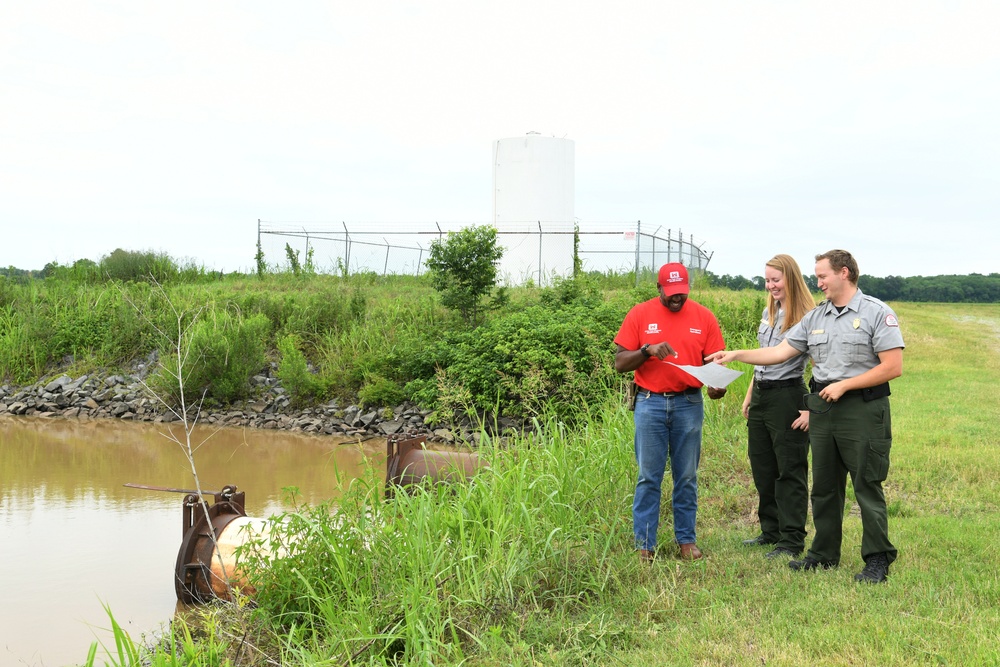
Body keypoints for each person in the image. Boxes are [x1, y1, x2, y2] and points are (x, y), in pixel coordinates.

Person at [708, 249, 902, 583]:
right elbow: (780, 352)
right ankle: (824, 554)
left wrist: (845, 386)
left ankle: (877, 560)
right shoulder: (816, 318)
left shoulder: (875, 313)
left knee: (866, 485)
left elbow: (892, 367)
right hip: (825, 408)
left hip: (863, 409)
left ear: (844, 273)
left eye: (823, 276)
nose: (818, 282)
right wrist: (737, 354)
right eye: (817, 276)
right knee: (824, 487)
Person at [614, 262, 727, 562]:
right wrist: (646, 351)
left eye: (682, 293)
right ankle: (645, 545)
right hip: (649, 403)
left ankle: (686, 541)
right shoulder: (640, 314)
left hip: (689, 403)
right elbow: (620, 362)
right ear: (659, 288)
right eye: (671, 293)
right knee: (648, 476)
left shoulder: (704, 317)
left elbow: (715, 365)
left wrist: (717, 386)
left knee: (686, 476)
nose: (677, 298)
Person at [739, 254, 815, 560]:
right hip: (761, 394)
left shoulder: (808, 315)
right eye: (767, 280)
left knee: (790, 469)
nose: (771, 286)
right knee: (763, 467)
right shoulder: (770, 311)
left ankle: (791, 539)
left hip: (788, 396)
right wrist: (749, 394)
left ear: (791, 278)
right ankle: (770, 530)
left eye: (776, 280)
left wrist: (811, 407)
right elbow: (762, 356)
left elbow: (820, 367)